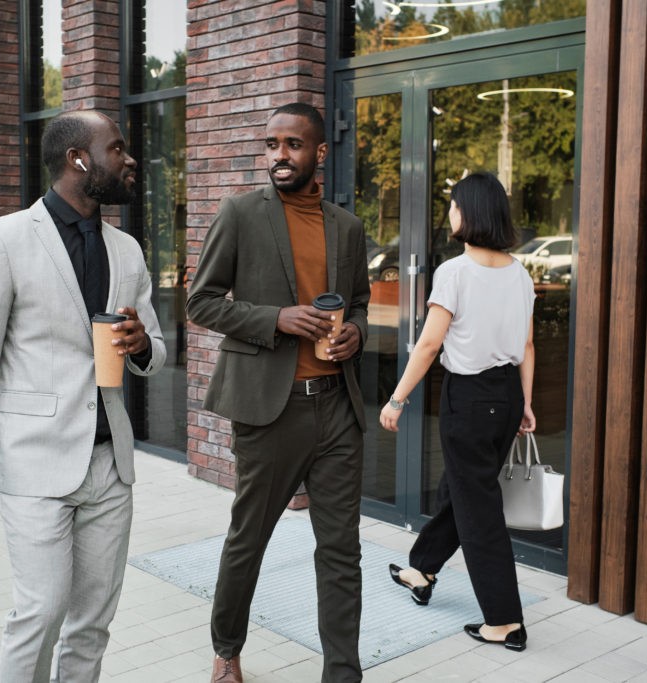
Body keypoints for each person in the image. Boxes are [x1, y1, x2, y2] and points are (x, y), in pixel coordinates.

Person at [0, 110, 166, 682]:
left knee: (92, 622)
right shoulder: (3, 241)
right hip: (36, 464)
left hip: (112, 469)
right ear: (78, 160)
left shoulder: (128, 250)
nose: (129, 159)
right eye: (117, 148)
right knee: (40, 612)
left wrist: (140, 346)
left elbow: (156, 348)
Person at [187, 102, 371, 683]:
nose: (279, 156)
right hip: (269, 410)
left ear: (319, 152)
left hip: (338, 407)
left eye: (292, 145)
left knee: (341, 550)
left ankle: (343, 673)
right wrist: (275, 320)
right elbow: (201, 301)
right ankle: (226, 648)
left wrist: (356, 335)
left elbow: (359, 300)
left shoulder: (347, 226)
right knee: (250, 537)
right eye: (271, 145)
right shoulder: (241, 213)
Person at [380, 172, 535, 651]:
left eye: (452, 205)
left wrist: (397, 398)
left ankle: (504, 620)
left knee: (479, 508)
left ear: (470, 213)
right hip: (506, 395)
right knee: (464, 487)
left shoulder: (455, 272)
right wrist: (526, 403)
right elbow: (527, 344)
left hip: (468, 399)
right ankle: (421, 569)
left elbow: (429, 345)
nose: (449, 213)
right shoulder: (521, 272)